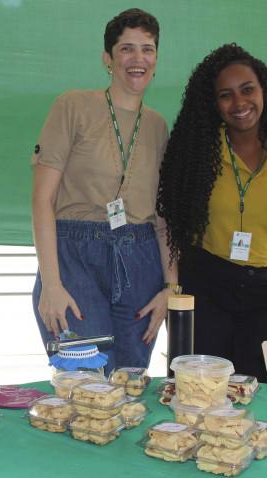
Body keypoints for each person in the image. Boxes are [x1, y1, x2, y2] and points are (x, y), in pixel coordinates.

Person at [156, 43, 267, 382]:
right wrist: (174, 295)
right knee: (199, 394)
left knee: (265, 396)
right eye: (226, 95)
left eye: (247, 89)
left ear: (264, 90)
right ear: (214, 103)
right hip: (206, 288)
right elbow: (172, 226)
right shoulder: (197, 153)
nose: (239, 103)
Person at [31, 8, 178, 373]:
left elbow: (163, 217)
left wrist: (171, 286)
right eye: (126, 49)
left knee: (129, 385)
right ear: (107, 59)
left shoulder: (159, 127)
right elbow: (42, 200)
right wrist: (51, 284)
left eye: (147, 49)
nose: (138, 59)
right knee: (87, 388)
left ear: (156, 59)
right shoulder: (73, 106)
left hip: (141, 261)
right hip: (75, 259)